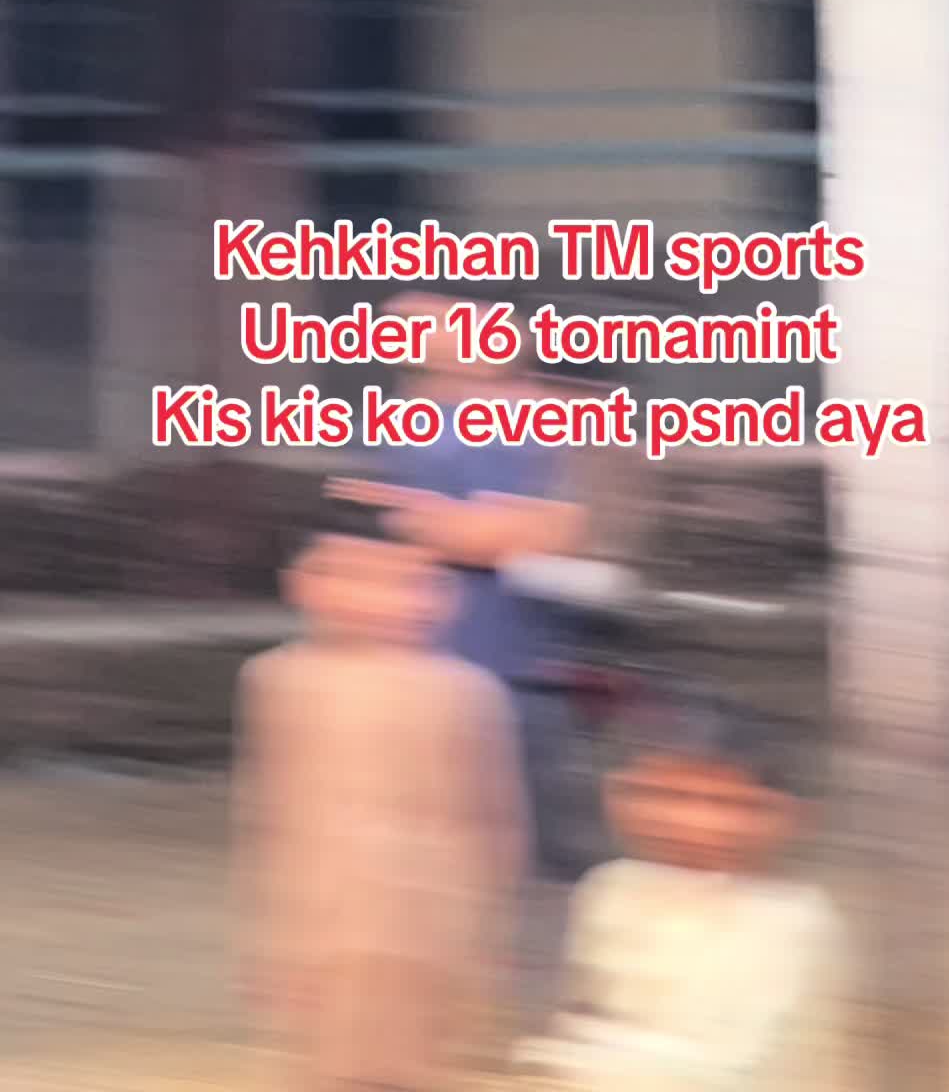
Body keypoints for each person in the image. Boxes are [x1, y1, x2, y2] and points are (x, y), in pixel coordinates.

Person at [231, 495, 528, 1092]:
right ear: (304, 584)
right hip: (323, 914)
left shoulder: (463, 692)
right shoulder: (280, 680)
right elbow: (269, 814)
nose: (381, 600)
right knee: (328, 1065)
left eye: (407, 582)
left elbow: (494, 820)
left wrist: (486, 936)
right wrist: (272, 938)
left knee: (414, 1062)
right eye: (354, 577)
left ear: (442, 596)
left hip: (429, 915)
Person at [328, 293, 601, 885]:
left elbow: (550, 530)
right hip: (435, 658)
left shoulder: (528, 421)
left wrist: (425, 524)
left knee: (530, 831)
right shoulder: (415, 422)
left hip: (515, 659)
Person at [513, 701, 844, 1092]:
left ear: (777, 814)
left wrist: (572, 1057)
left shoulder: (793, 921)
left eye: (723, 803)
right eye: (664, 794)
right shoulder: (611, 889)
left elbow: (737, 1069)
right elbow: (582, 1018)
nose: (689, 820)